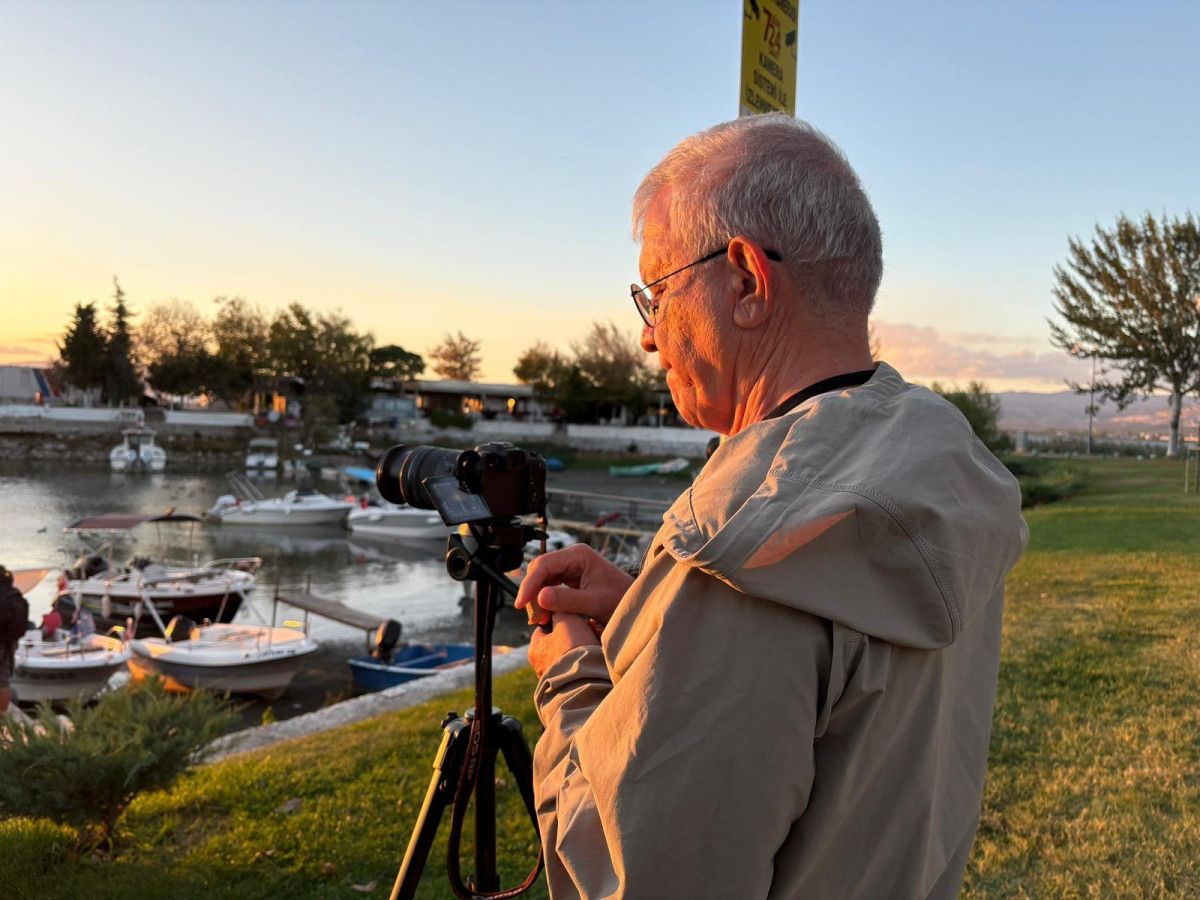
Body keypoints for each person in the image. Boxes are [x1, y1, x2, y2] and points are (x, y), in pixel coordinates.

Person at [515, 114, 1028, 899]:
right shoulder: (938, 465)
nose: (649, 339)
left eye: (656, 294)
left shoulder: (745, 557)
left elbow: (629, 875)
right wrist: (649, 611)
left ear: (748, 282)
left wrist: (574, 673)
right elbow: (840, 694)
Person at [0, 566, 31, 715]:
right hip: (10, 642)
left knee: (2, 680)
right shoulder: (12, 592)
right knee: (3, 678)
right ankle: (2, 715)